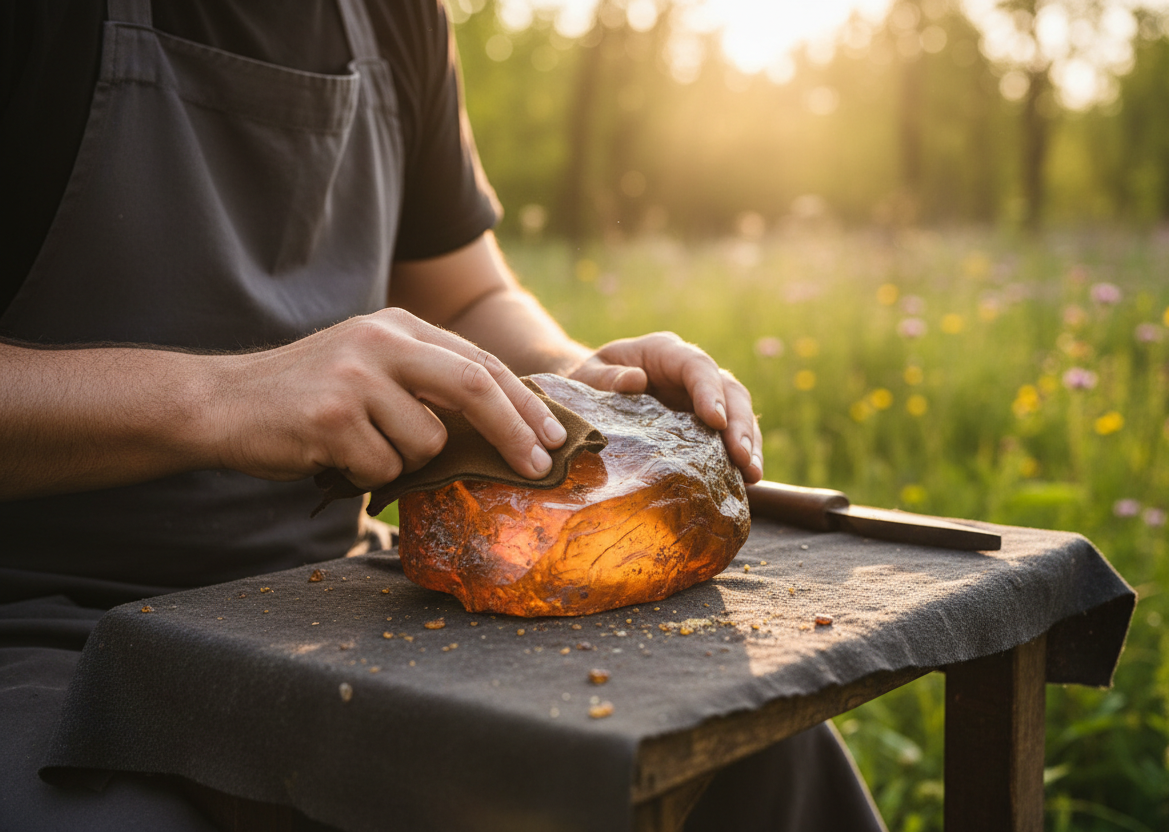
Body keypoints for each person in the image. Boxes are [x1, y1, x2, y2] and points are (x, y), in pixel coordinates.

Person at [0, 1, 885, 829]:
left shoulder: (396, 16)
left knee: (757, 755)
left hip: (326, 595)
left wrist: (571, 382)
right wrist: (224, 398)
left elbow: (467, 292)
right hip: (39, 627)